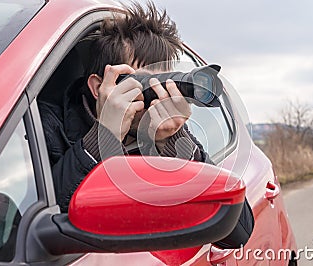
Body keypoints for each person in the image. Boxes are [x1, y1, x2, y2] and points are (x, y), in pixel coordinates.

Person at [38, 1, 253, 249]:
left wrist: (172, 141)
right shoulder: (43, 129)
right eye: (145, 82)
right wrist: (103, 136)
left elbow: (239, 235)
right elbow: (40, 231)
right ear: (99, 87)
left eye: (165, 80)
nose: (159, 93)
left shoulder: (168, 135)